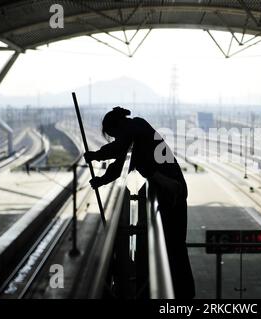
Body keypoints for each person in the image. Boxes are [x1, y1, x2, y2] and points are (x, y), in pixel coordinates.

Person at [84, 106, 195, 299]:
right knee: (173, 245)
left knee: (174, 245)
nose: (116, 138)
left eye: (114, 134)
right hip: (170, 191)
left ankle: (183, 294)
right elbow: (119, 165)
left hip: (173, 192)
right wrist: (101, 179)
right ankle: (182, 292)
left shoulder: (137, 126)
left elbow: (117, 151)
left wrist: (96, 155)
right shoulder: (136, 138)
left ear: (120, 126)